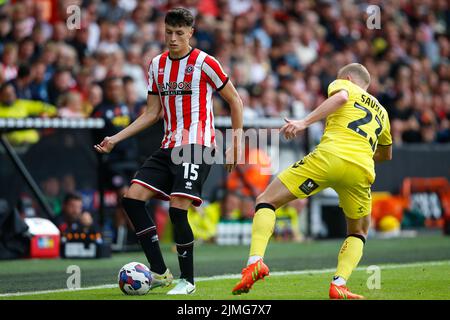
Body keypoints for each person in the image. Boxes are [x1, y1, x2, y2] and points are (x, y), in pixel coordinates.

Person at [94, 7, 243, 295]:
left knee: (177, 211)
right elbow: (152, 113)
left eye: (179, 33)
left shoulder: (204, 62)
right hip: (168, 145)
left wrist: (236, 142)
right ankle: (161, 272)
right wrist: (116, 138)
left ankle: (187, 281)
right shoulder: (156, 65)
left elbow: (235, 100)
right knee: (133, 200)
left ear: (190, 33)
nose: (173, 38)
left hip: (197, 145)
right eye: (168, 32)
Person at [232, 63, 393, 299]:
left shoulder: (344, 85)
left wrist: (303, 122)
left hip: (329, 157)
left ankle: (255, 262)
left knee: (266, 200)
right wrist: (360, 154)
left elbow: (341, 97)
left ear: (347, 77)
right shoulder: (383, 112)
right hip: (362, 169)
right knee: (358, 232)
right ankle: (339, 284)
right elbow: (386, 155)